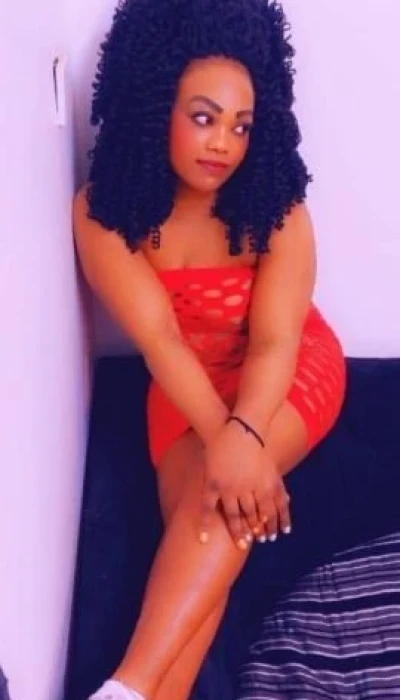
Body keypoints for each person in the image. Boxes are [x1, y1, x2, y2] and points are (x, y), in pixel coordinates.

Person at [72, 0, 346, 698]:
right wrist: (224, 444)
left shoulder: (279, 209)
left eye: (241, 125)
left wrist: (245, 437)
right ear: (154, 106)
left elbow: (277, 341)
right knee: (211, 520)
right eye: (203, 117)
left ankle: (125, 687)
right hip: (183, 378)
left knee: (217, 508)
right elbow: (161, 339)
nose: (224, 142)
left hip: (287, 369)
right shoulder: (103, 211)